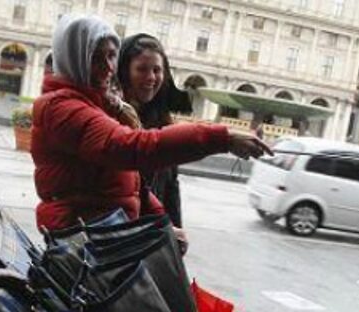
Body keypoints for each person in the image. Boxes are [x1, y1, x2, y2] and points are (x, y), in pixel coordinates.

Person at [30, 15, 271, 231]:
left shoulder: (101, 105)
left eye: (112, 55)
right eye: (96, 57)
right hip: (88, 242)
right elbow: (132, 149)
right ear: (74, 57)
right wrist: (222, 138)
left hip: (106, 233)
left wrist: (161, 224)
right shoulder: (62, 107)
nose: (108, 67)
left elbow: (132, 182)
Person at [117, 33, 190, 230]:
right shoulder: (113, 120)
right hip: (120, 235)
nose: (150, 78)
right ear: (124, 73)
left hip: (154, 235)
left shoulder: (163, 122)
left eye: (157, 70)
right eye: (141, 69)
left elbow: (171, 188)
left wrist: (175, 231)